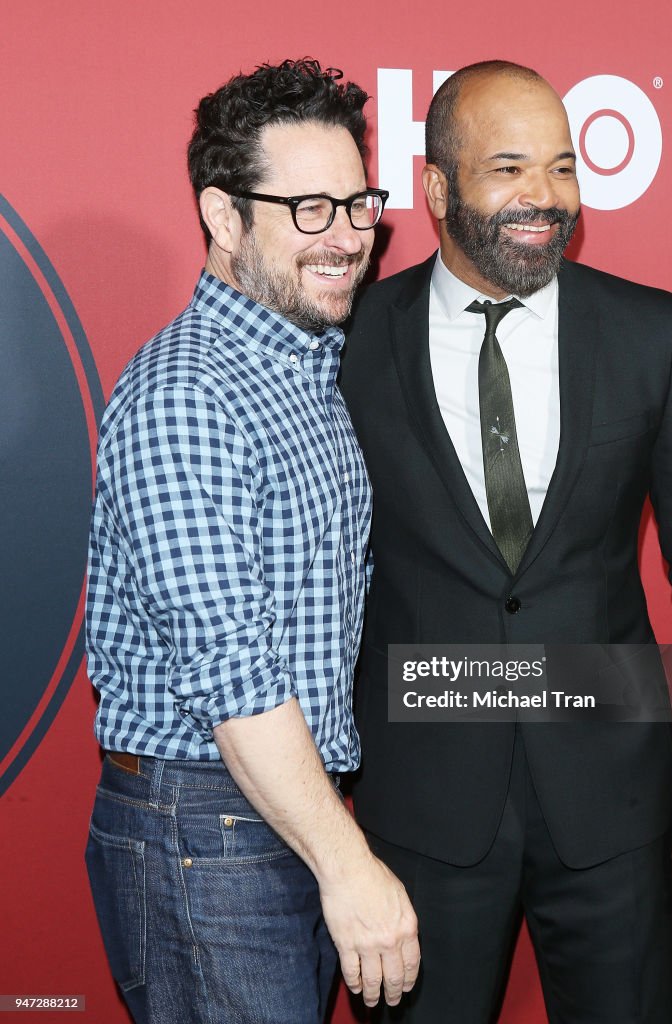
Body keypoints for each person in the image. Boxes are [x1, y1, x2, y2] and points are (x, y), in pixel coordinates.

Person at [339, 60, 672, 1023]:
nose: (546, 198)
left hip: (614, 805)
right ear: (438, 188)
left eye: (564, 168)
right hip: (422, 808)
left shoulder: (650, 332)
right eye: (511, 168)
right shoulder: (356, 338)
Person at [84, 59, 418, 1024]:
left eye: (358, 205)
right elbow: (233, 675)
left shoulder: (306, 363)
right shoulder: (192, 393)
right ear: (224, 220)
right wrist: (347, 865)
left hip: (272, 815)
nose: (348, 237)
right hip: (206, 828)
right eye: (309, 209)